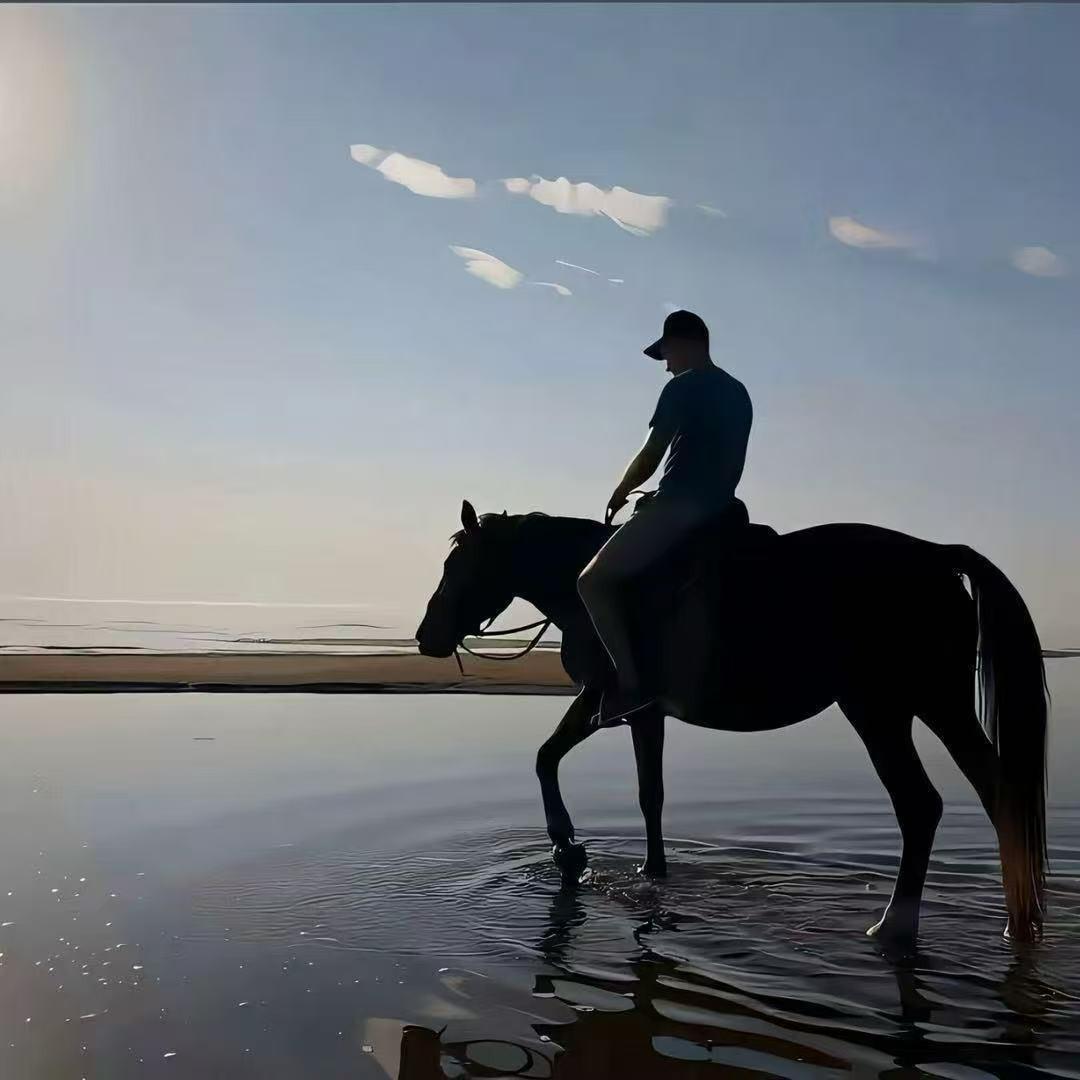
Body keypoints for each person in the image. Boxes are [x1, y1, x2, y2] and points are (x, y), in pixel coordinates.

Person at [577, 309, 753, 727]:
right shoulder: (739, 390)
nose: (667, 365)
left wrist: (620, 492)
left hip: (679, 509)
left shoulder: (684, 387)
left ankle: (631, 687)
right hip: (725, 510)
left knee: (593, 581)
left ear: (685, 344)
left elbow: (651, 454)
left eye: (667, 354)